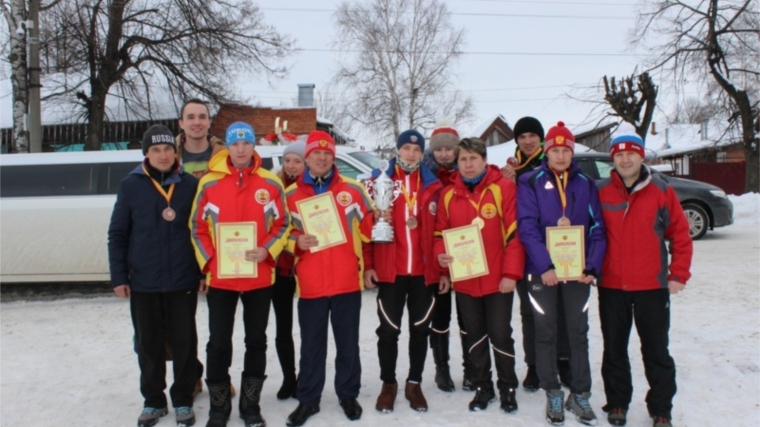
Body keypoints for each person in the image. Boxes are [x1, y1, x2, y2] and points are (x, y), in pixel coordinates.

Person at [190, 122, 290, 427]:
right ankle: (218, 408)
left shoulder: (270, 183)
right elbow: (196, 227)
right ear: (228, 147)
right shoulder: (209, 183)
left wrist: (268, 250)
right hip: (222, 279)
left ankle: (250, 406)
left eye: (247, 143)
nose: (242, 149)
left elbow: (283, 225)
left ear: (253, 146)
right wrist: (210, 261)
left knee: (256, 341)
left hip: (258, 277)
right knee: (218, 343)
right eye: (236, 144)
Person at [597, 123, 692, 427]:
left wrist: (678, 273)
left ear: (641, 157)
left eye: (631, 154)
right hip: (611, 285)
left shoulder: (662, 191)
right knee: (614, 348)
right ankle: (617, 402)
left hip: (652, 285)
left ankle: (661, 408)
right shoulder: (601, 192)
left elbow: (680, 233)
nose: (625, 160)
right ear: (613, 158)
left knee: (655, 349)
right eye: (619, 154)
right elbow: (588, 234)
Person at [108, 124, 203, 427]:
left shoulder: (189, 184)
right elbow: (118, 234)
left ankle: (184, 399)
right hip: (144, 281)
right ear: (146, 154)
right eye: (155, 150)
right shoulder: (131, 184)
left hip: (182, 280)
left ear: (176, 152)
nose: (162, 155)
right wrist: (119, 276)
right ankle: (153, 401)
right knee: (148, 344)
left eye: (167, 149)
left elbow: (201, 232)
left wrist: (202, 272)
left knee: (184, 341)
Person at [516, 121, 606, 426]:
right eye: (554, 150)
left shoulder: (587, 184)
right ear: (546, 151)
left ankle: (580, 393)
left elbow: (598, 229)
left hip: (578, 273)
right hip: (542, 274)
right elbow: (527, 228)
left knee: (578, 332)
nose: (560, 155)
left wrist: (592, 266)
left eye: (565, 149)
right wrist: (545, 267)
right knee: (545, 333)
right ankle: (552, 390)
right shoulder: (529, 182)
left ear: (572, 151)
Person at [284, 131, 375, 427]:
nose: (322, 158)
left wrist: (383, 220)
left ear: (333, 157)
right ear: (306, 157)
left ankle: (348, 394)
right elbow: (279, 234)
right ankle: (308, 399)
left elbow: (370, 230)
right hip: (310, 283)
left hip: (347, 280)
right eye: (316, 153)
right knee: (312, 346)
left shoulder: (354, 189)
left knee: (348, 343)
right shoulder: (290, 195)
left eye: (327, 153)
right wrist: (296, 241)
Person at [433, 137, 525, 414]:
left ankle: (507, 387)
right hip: (466, 280)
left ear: (484, 160)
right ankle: (483, 387)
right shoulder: (448, 194)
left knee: (500, 334)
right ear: (457, 163)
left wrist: (510, 273)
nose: (468, 164)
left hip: (498, 280)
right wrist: (441, 257)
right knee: (474, 335)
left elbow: (515, 234)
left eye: (473, 158)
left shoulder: (504, 188)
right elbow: (440, 234)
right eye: (463, 159)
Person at [364, 129, 443, 413]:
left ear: (423, 154)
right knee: (388, 331)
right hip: (391, 270)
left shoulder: (433, 185)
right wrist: (369, 265)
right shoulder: (380, 180)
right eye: (406, 149)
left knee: (420, 330)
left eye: (417, 150)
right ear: (398, 150)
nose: (411, 154)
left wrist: (442, 270)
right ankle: (389, 384)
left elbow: (440, 231)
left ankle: (414, 382)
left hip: (423, 272)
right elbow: (366, 229)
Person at [504, 116, 573, 392]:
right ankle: (533, 365)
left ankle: (564, 361)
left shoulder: (553, 164)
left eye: (533, 135)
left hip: (563, 249)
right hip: (527, 250)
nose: (528, 141)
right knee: (531, 312)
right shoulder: (512, 170)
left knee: (562, 310)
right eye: (522, 137)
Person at [422, 123, 473, 392]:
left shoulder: (466, 174)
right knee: (440, 317)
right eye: (439, 149)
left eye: (448, 149)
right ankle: (442, 368)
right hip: (437, 257)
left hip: (467, 255)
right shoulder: (425, 177)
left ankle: (471, 368)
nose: (443, 154)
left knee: (468, 317)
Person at [272, 141, 306, 400]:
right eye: (288, 161)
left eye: (297, 161)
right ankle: (288, 377)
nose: (292, 166)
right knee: (283, 327)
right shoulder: (273, 188)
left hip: (306, 263)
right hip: (280, 268)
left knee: (310, 325)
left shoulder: (312, 188)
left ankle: (307, 375)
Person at [176, 98, 225, 178]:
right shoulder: (169, 157)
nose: (197, 122)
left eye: (202, 117)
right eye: (191, 117)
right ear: (181, 123)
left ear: (209, 122)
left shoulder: (225, 156)